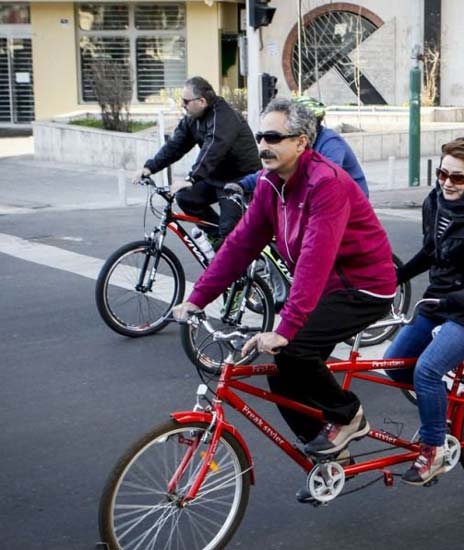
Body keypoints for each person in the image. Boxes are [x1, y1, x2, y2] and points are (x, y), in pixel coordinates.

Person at [172, 98, 396, 471]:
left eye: (274, 137)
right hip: (325, 286)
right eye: (261, 136)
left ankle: (349, 416)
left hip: (363, 286)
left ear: (302, 142)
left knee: (294, 351)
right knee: (283, 373)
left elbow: (314, 259)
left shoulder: (327, 184)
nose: (263, 145)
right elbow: (240, 244)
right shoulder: (269, 184)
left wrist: (285, 328)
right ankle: (328, 457)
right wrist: (197, 299)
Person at [386, 137, 464, 486]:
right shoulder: (436, 202)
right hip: (438, 301)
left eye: (457, 178)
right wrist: (397, 277)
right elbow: (431, 251)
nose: (446, 183)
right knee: (394, 366)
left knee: (426, 371)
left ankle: (434, 448)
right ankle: (438, 413)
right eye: (442, 173)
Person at [137, 76, 261, 242]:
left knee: (229, 229)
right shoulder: (193, 119)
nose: (183, 105)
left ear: (201, 101)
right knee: (185, 197)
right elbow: (176, 145)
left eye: (186, 101)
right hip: (214, 178)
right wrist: (150, 167)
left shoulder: (224, 117)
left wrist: (192, 178)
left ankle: (231, 256)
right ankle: (216, 239)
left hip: (238, 179)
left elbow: (213, 148)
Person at [239, 95, 369, 197]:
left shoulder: (331, 142)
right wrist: (243, 185)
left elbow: (326, 176)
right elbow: (274, 170)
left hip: (344, 199)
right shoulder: (294, 142)